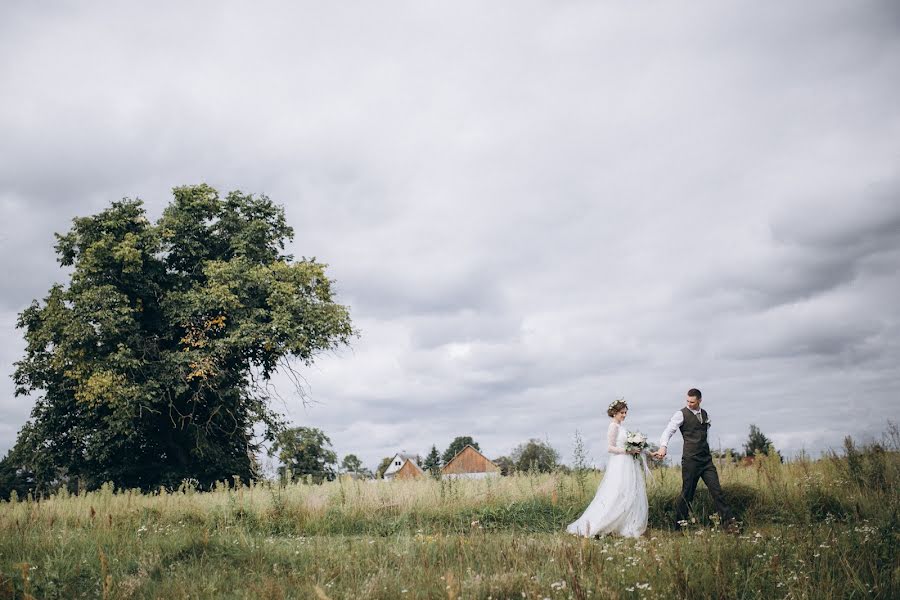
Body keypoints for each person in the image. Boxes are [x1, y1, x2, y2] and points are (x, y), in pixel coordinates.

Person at [654, 388, 737, 530]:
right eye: (687, 401)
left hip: (706, 461)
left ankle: (729, 524)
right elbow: (669, 430)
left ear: (699, 400)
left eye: (692, 402)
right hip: (691, 460)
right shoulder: (681, 414)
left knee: (717, 491)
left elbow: (705, 435)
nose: (689, 404)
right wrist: (663, 446)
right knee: (687, 493)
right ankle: (678, 527)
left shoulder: (705, 414)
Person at [566, 399, 648, 538]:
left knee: (629, 493)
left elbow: (631, 447)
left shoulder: (622, 428)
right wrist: (628, 451)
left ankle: (625, 524)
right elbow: (610, 448)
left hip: (628, 464)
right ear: (614, 413)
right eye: (622, 412)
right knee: (616, 493)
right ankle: (598, 524)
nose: (624, 415)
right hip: (620, 464)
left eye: (626, 412)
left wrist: (644, 451)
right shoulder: (613, 427)